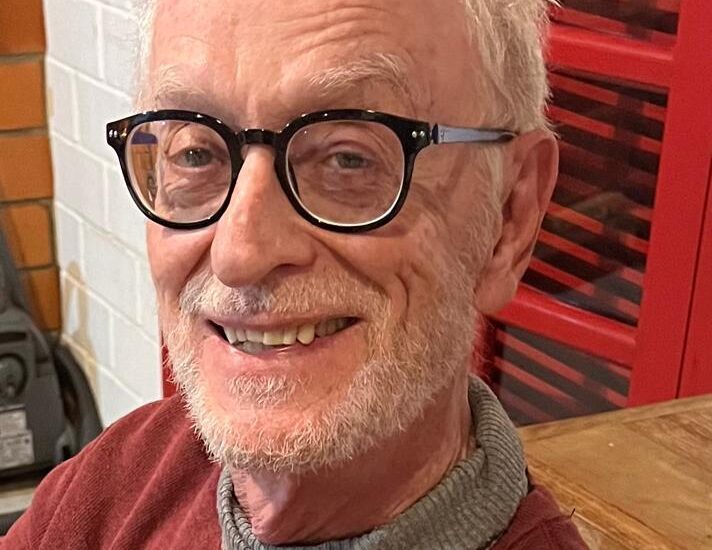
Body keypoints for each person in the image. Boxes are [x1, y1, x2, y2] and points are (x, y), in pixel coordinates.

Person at [3, 0, 588, 548]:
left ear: (510, 219)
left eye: (349, 158)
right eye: (196, 154)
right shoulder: (113, 483)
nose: (239, 255)